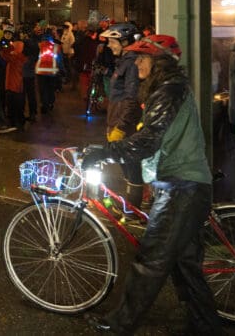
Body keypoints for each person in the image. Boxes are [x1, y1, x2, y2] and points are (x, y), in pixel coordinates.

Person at [83, 35, 222, 335]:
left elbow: (149, 140)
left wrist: (104, 152)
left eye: (142, 59)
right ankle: (205, 325)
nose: (137, 64)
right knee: (184, 264)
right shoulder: (169, 89)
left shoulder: (169, 91)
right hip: (186, 183)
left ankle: (120, 324)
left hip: (181, 187)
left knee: (151, 260)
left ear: (158, 62)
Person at [99, 22, 144, 212]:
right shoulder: (125, 61)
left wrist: (121, 127)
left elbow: (131, 98)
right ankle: (130, 206)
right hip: (117, 118)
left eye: (112, 41)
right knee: (126, 164)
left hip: (124, 123)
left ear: (124, 41)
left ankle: (133, 210)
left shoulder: (132, 63)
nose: (109, 45)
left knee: (131, 166)